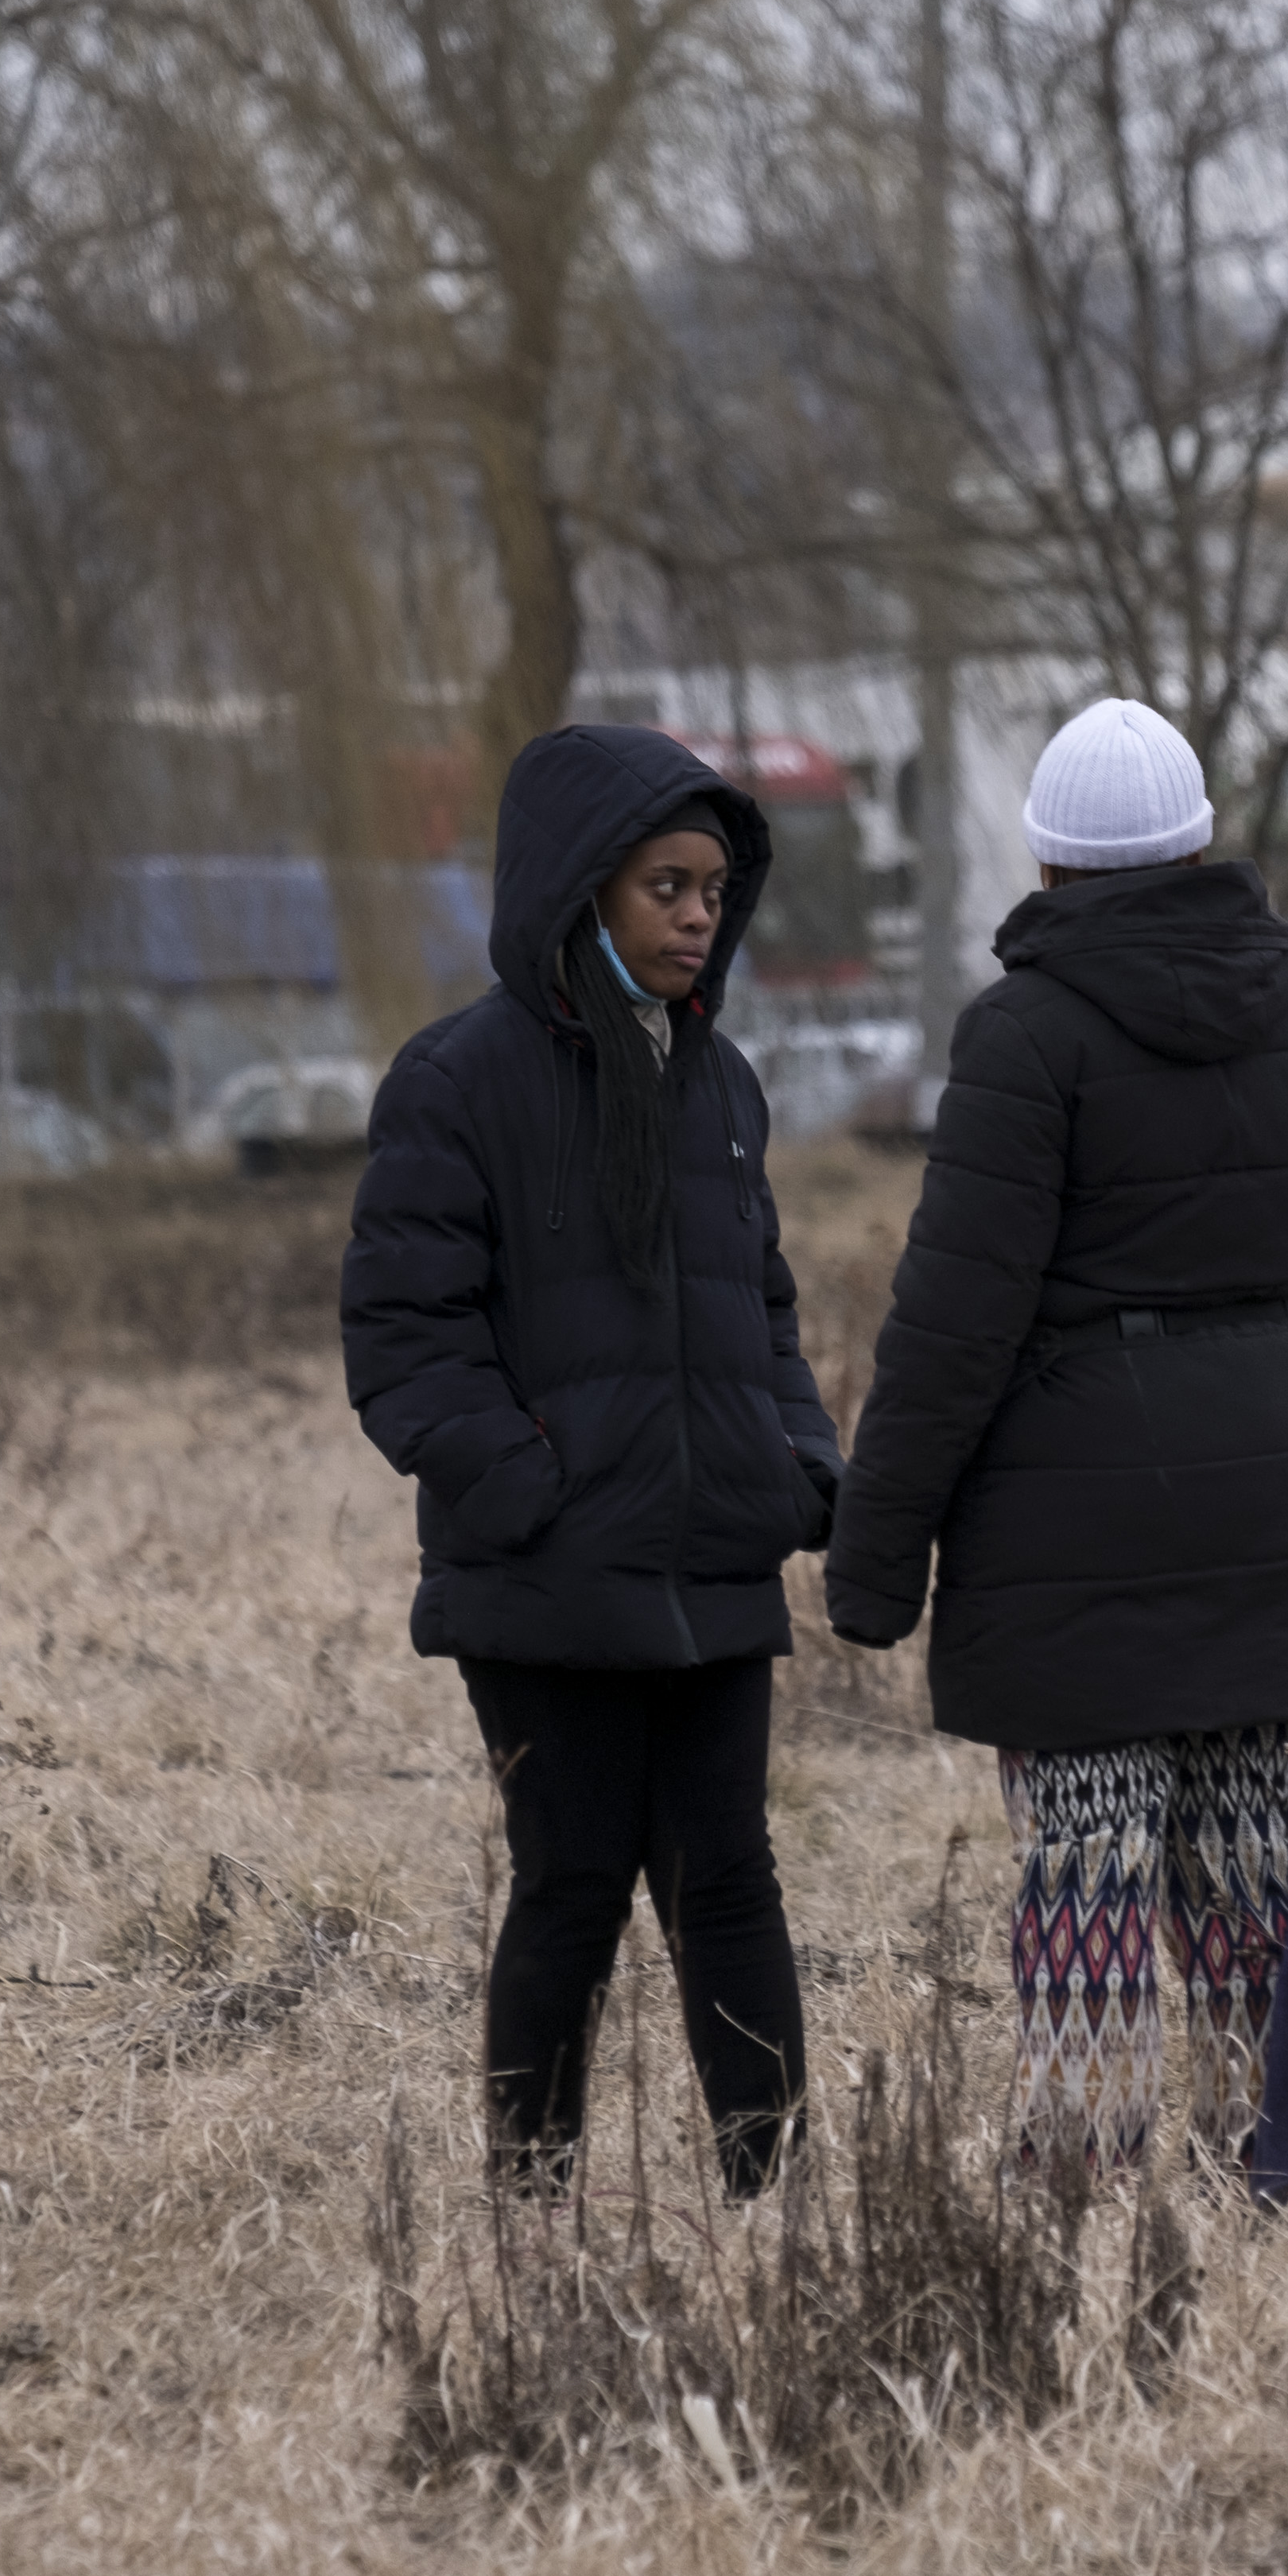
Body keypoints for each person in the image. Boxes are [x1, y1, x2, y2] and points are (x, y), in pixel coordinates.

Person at [824, 698, 1288, 2182]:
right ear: (1204, 841)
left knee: (1088, 1840)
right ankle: (1247, 2143)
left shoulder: (1025, 1031)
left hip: (1068, 1505)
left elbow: (954, 1319)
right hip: (1273, 1482)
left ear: (1045, 867)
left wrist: (873, 1559)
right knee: (1240, 1849)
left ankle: (1084, 2157)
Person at [341, 723, 837, 2199]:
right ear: (579, 893)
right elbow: (403, 1341)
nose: (696, 917)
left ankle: (775, 2201)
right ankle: (532, 2212)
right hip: (549, 1573)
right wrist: (530, 1489)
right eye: (663, 888)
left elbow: (764, 1310)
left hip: (711, 1553)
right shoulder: (456, 1082)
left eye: (711, 891)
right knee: (570, 1887)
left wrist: (796, 1463)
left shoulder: (719, 1082)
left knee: (728, 1879)